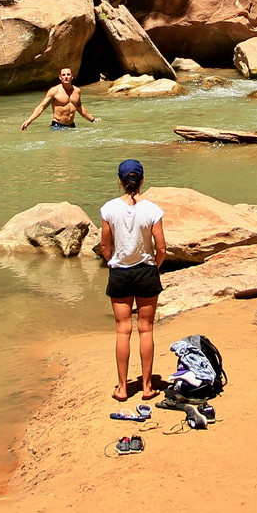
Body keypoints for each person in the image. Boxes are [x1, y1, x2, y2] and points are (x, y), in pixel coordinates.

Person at [99, 159, 166, 401]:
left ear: (119, 181)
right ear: (142, 181)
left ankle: (122, 388)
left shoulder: (108, 209)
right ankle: (147, 387)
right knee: (146, 329)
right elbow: (161, 248)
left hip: (120, 272)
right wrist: (154, 267)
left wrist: (112, 261)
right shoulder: (152, 210)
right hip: (146, 270)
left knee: (122, 331)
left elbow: (105, 245)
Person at [19, 67, 97, 130]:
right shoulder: (54, 91)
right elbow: (41, 107)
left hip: (72, 125)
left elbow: (79, 108)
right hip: (58, 126)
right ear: (60, 77)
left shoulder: (77, 91)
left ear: (72, 76)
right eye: (63, 75)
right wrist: (29, 120)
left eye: (68, 74)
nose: (66, 77)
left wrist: (93, 120)